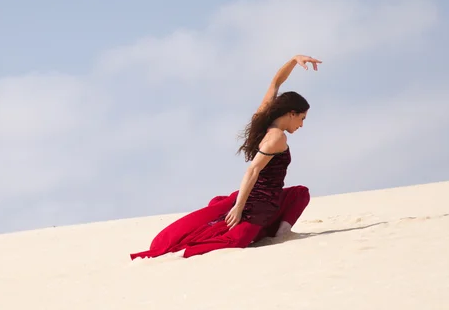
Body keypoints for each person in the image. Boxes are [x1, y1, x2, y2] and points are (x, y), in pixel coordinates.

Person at [130, 54, 321, 260]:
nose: (301, 125)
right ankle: (254, 225)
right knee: (236, 240)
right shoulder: (276, 138)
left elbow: (276, 83)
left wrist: (293, 61)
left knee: (299, 193)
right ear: (291, 113)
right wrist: (239, 208)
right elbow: (253, 170)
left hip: (270, 200)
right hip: (257, 207)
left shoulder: (263, 118)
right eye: (301, 118)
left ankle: (281, 234)